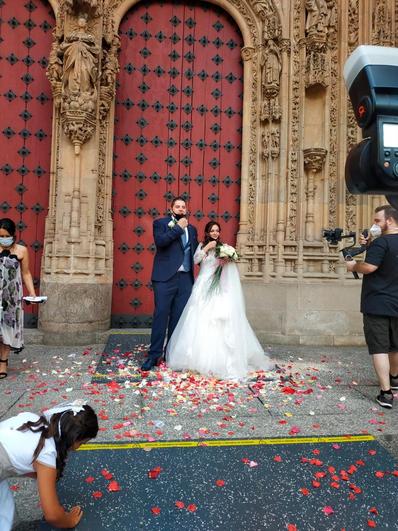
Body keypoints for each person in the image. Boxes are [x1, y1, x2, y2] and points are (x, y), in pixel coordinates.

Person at [167, 222, 272, 380]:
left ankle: (220, 359)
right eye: (212, 230)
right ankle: (194, 358)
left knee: (218, 320)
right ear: (207, 232)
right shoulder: (203, 245)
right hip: (203, 286)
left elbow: (227, 272)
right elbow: (196, 260)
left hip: (218, 288)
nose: (215, 233)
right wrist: (207, 247)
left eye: (217, 230)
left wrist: (226, 261)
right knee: (199, 319)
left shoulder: (225, 248)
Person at [0, 400, 99, 530]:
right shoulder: (46, 453)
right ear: (73, 439)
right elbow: (53, 516)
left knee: (4, 503)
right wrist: (68, 521)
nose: (79, 448)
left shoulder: (32, 418)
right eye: (82, 443)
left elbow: (15, 457)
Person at [346, 205, 398, 408]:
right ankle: (395, 379)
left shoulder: (382, 243)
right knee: (395, 345)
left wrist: (353, 265)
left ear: (390, 221)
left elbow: (370, 267)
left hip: (377, 303)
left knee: (379, 348)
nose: (374, 224)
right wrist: (369, 245)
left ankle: (385, 394)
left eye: (378, 221)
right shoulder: (381, 243)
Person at [141, 197, 198, 371]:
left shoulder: (192, 229)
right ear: (171, 208)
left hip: (185, 279)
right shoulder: (161, 223)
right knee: (161, 315)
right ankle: (154, 355)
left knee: (178, 318)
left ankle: (171, 354)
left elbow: (194, 253)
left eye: (183, 206)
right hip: (165, 278)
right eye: (177, 206)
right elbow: (161, 242)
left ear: (186, 209)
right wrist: (178, 228)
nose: (181, 209)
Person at [0, 218, 36, 379]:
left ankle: (3, 362)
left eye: (6, 235)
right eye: (0, 236)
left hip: (11, 297)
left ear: (13, 235)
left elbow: (26, 273)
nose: (3, 238)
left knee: (7, 329)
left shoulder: (21, 250)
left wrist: (32, 293)